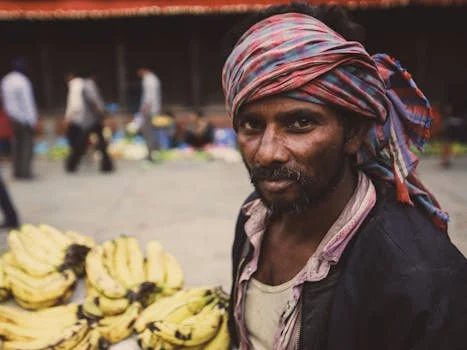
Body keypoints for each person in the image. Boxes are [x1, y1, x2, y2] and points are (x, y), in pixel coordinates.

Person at [222, 4, 467, 350]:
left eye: (300, 123)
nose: (267, 153)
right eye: (252, 125)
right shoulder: (253, 218)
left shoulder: (422, 279)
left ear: (353, 133)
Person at [1, 57, 38, 179]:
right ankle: (25, 172)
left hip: (11, 117)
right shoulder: (23, 81)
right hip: (23, 118)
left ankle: (17, 172)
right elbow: (28, 102)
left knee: (16, 145)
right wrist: (32, 120)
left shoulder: (6, 80)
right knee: (27, 145)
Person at [137, 67, 162, 161]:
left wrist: (144, 109)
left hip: (149, 110)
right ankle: (155, 151)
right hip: (154, 109)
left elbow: (148, 97)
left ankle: (151, 153)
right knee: (151, 131)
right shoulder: (154, 78)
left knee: (147, 132)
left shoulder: (148, 80)